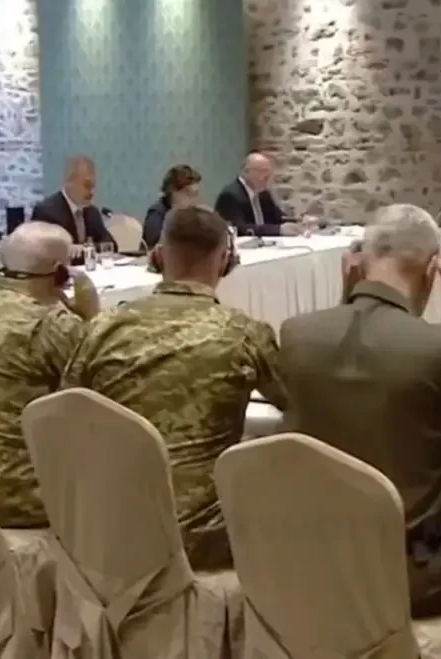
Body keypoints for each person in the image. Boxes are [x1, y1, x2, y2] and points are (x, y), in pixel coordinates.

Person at [277, 203, 441, 617]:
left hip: (315, 562)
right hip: (412, 577)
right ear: (431, 270)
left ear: (358, 263)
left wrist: (346, 297)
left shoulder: (297, 334)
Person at [62, 205, 288, 570]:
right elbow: (296, 402)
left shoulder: (104, 327)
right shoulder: (245, 333)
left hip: (110, 529)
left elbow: (65, 408)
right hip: (201, 535)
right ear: (225, 260)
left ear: (157, 256)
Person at [0, 222, 99, 527]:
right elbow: (103, 400)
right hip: (23, 497)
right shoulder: (54, 326)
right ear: (60, 274)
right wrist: (91, 319)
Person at [30, 155, 117, 253]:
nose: (92, 192)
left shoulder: (92, 212)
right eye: (87, 185)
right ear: (69, 182)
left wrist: (84, 249)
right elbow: (45, 252)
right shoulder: (46, 211)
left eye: (93, 186)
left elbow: (111, 245)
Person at [214, 152, 297, 237]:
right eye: (262, 171)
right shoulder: (230, 196)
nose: (267, 176)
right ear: (246, 172)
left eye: (269, 172)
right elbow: (240, 229)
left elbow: (279, 218)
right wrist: (279, 230)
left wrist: (298, 222)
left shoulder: (263, 194)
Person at [143, 164, 202, 250]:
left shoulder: (190, 215)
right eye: (189, 193)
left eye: (195, 193)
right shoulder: (156, 213)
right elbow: (154, 247)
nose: (193, 199)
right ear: (172, 191)